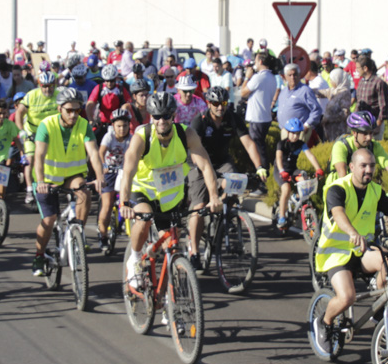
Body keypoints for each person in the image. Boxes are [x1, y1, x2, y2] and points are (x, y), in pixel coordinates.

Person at [311, 148, 388, 354]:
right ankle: (324, 322)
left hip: (361, 250)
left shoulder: (375, 190)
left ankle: (379, 306)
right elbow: (338, 213)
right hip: (335, 253)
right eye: (364, 166)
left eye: (372, 166)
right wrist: (352, 232)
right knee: (347, 297)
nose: (368, 170)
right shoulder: (337, 189)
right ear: (352, 167)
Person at [120, 92, 222, 287]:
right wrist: (124, 202)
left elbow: (206, 166)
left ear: (173, 115)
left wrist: (214, 197)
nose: (161, 120)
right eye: (156, 116)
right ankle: (134, 258)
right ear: (151, 117)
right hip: (143, 191)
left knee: (172, 251)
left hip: (171, 197)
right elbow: (128, 171)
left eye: (166, 116)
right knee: (144, 219)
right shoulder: (142, 137)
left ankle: (168, 302)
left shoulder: (186, 134)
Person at [185, 86, 266, 265]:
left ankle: (225, 217)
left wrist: (259, 167)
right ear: (209, 103)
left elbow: (249, 143)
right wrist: (211, 177)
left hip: (222, 162)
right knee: (198, 206)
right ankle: (194, 251)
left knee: (234, 186)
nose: (220, 107)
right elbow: (194, 152)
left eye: (223, 103)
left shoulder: (232, 117)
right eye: (215, 103)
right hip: (199, 163)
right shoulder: (200, 121)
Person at [31, 89, 104, 276]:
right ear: (59, 109)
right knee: (49, 219)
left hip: (72, 175)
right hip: (47, 178)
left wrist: (100, 177)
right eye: (69, 110)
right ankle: (39, 255)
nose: (73, 114)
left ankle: (78, 234)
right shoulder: (46, 125)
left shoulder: (83, 125)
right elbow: (39, 155)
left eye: (77, 110)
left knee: (84, 193)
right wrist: (40, 181)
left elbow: (94, 153)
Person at [329, 111, 388, 195]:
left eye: (371, 133)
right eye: (365, 133)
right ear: (354, 133)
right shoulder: (341, 146)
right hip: (337, 191)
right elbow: (342, 173)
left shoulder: (373, 146)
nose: (369, 137)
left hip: (359, 188)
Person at [17, 71, 61, 204]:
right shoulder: (32, 95)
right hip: (32, 132)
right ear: (39, 85)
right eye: (44, 86)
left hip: (51, 133)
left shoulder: (59, 96)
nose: (48, 89)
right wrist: (21, 131)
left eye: (50, 86)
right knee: (30, 160)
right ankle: (30, 189)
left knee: (53, 160)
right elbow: (19, 112)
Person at [275, 118, 323, 230]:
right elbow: (278, 158)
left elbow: (310, 156)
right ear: (287, 132)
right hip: (281, 170)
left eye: (297, 134)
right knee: (286, 189)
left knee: (305, 180)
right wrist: (282, 171)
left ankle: (296, 197)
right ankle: (281, 217)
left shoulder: (301, 144)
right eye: (292, 133)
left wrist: (318, 169)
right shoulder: (281, 144)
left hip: (292, 170)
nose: (295, 136)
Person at [97, 108, 132, 248]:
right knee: (107, 205)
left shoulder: (131, 138)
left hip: (124, 171)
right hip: (110, 171)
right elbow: (101, 153)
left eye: (124, 125)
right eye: (118, 126)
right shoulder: (109, 136)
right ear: (113, 126)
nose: (122, 129)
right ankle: (103, 235)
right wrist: (104, 165)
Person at [241, 52, 276, 177]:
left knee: (258, 150)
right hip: (264, 117)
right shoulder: (272, 77)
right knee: (260, 149)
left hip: (257, 118)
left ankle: (262, 180)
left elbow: (243, 92)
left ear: (260, 61)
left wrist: (246, 77)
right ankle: (260, 176)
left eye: (255, 61)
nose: (254, 63)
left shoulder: (259, 77)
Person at [353, 56, 388, 139]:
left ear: (365, 68)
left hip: (374, 122)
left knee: (373, 150)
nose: (356, 70)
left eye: (358, 68)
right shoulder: (361, 82)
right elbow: (359, 103)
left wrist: (378, 125)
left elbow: (383, 106)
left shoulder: (379, 83)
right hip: (361, 123)